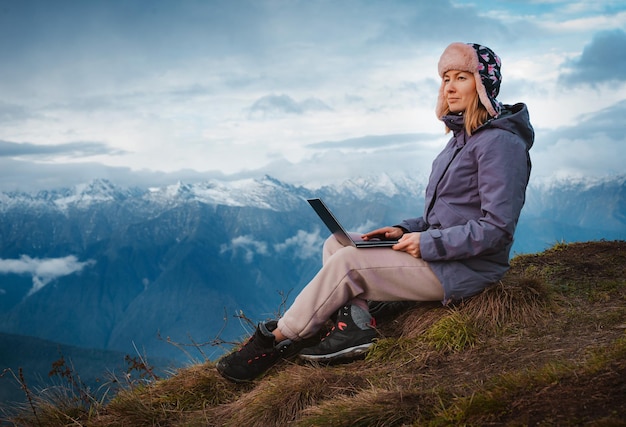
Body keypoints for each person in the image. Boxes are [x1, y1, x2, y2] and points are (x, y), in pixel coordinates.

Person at [216, 42, 534, 383]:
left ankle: (276, 339)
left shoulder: (500, 144)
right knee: (338, 246)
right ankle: (354, 326)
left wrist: (427, 244)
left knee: (347, 263)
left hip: (467, 268)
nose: (450, 87)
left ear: (483, 85)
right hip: (444, 255)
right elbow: (445, 215)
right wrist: (403, 229)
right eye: (445, 79)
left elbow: (497, 229)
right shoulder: (462, 139)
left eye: (462, 77)